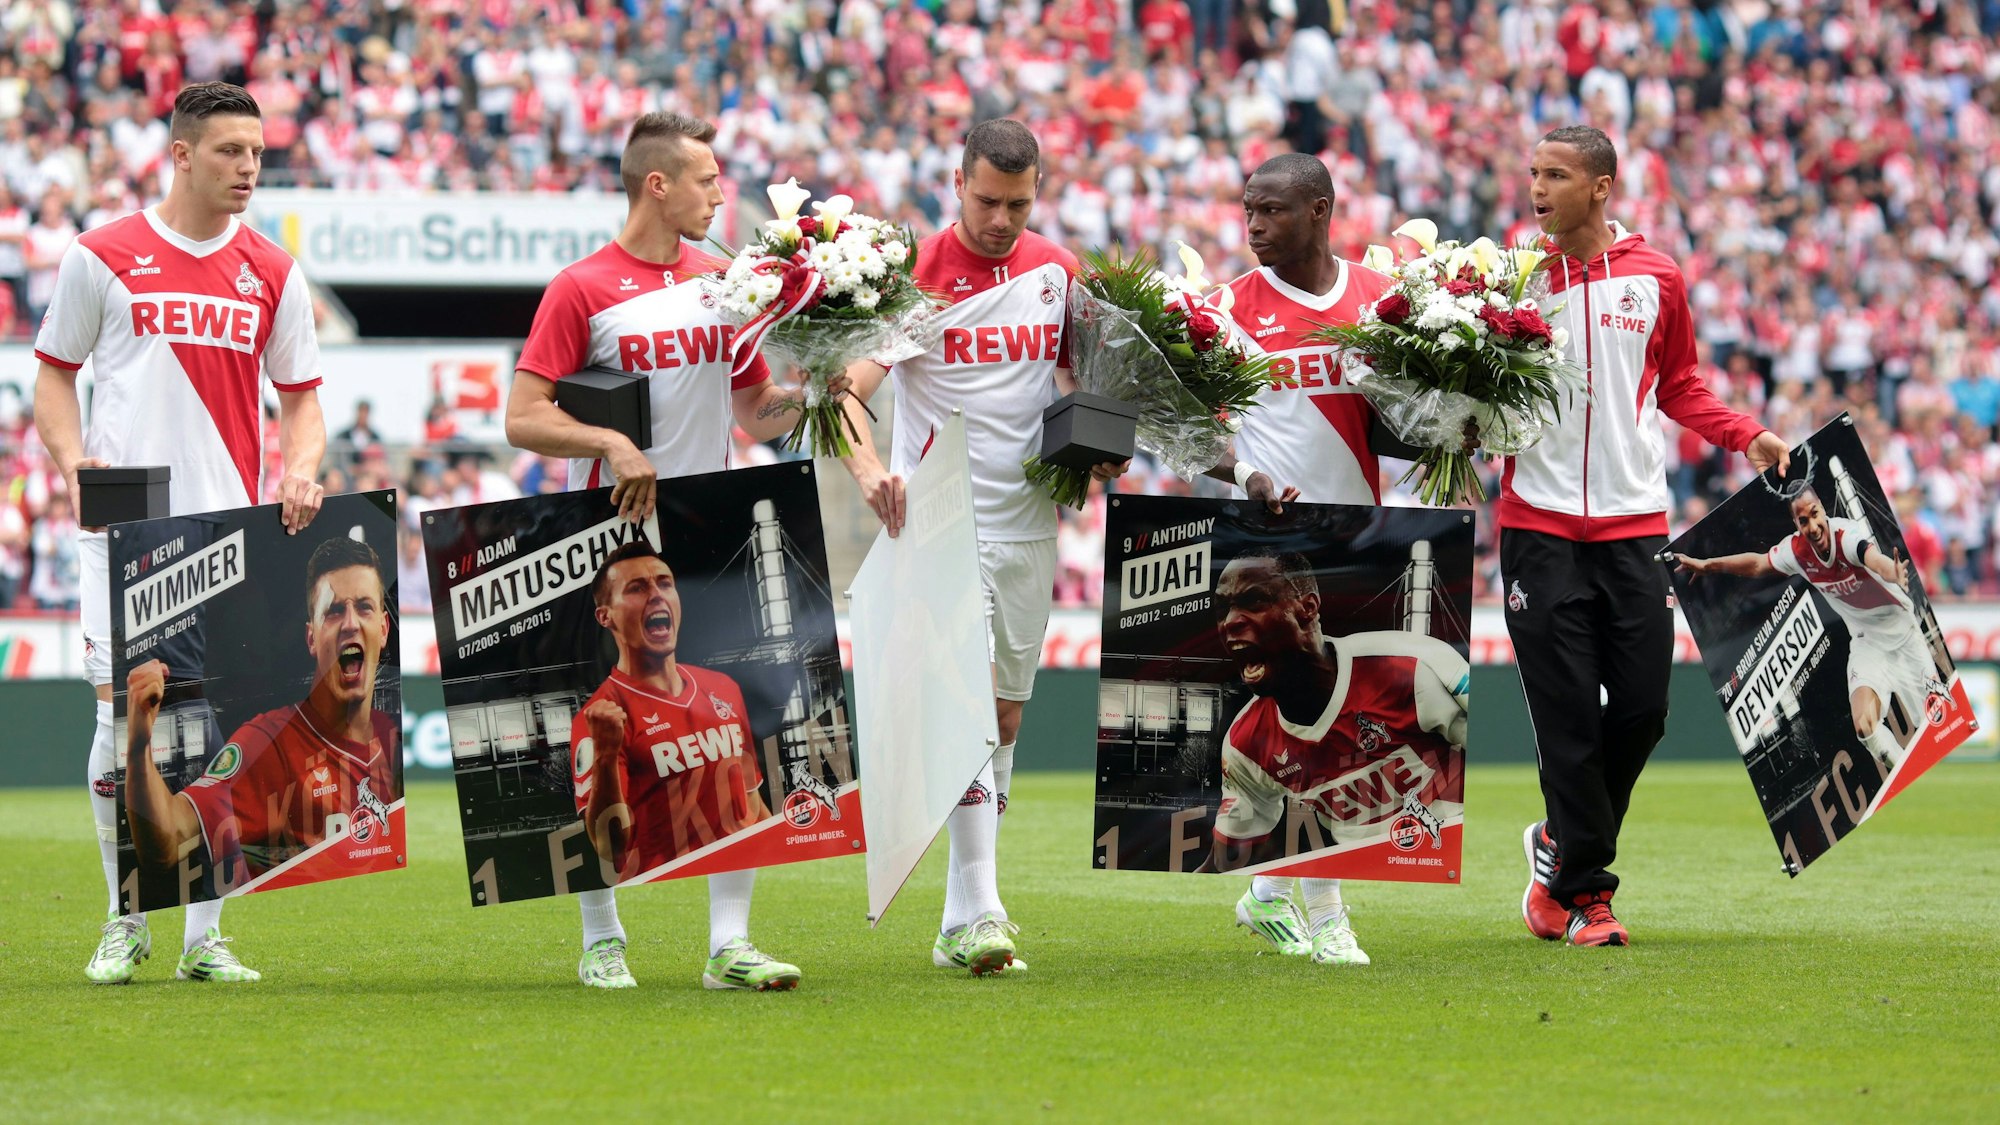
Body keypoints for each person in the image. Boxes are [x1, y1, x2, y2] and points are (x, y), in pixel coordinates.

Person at [503, 110, 822, 990]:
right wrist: (608, 444)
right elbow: (522, 414)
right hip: (608, 539)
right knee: (601, 739)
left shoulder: (725, 280)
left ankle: (729, 943)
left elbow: (757, 411)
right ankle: (602, 935)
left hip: (707, 533)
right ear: (658, 184)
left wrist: (831, 386)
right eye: (708, 179)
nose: (722, 192)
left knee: (734, 730)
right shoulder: (582, 288)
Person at [32, 82, 327, 985]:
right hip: (123, 526)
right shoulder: (102, 255)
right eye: (231, 151)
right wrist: (75, 459)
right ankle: (127, 918)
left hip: (231, 524)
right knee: (120, 714)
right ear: (182, 153)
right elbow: (52, 377)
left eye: (257, 151)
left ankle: (206, 933)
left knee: (218, 724)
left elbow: (303, 399)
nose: (249, 168)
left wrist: (303, 467)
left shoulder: (273, 269)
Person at [836, 118, 1124, 977]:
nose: (1001, 218)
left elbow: (1092, 385)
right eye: (988, 200)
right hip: (939, 518)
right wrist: (866, 470)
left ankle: (962, 914)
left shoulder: (1055, 271)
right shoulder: (915, 280)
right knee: (964, 709)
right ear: (957, 184)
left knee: (1001, 715)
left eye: (1019, 203)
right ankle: (983, 904)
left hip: (1031, 519)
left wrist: (1106, 447)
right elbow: (847, 393)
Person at [1506, 126, 1790, 948]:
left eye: (1557, 174)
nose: (1539, 187)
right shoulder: (1509, 283)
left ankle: (1559, 843)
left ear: (1601, 187)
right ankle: (1587, 896)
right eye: (1533, 173)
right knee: (1566, 721)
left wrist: (1746, 435)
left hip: (1635, 528)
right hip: (1537, 529)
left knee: (1642, 710)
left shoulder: (1656, 276)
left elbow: (1682, 386)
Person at [1196, 153, 1398, 962]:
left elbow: (1406, 419)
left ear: (1320, 209)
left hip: (1361, 535)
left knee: (1338, 728)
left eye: (1272, 211)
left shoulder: (1381, 303)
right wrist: (1242, 473)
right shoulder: (1224, 310)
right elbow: (1184, 431)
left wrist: (1457, 436)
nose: (1253, 227)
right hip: (1270, 545)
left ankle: (1267, 893)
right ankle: (1330, 917)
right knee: (1322, 725)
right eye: (1247, 211)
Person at [1201, 550, 1468, 967]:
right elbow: (1237, 841)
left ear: (1307, 608)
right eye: (1224, 608)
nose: (1231, 621)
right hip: (1376, 839)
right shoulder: (1245, 740)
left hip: (1439, 830)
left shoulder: (1413, 669)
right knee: (1303, 808)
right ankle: (1321, 920)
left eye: (1253, 602)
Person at [569, 543, 794, 990]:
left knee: (729, 785)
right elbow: (609, 850)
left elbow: (750, 807)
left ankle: (729, 947)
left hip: (707, 833)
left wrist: (804, 838)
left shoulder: (722, 688)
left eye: (664, 583)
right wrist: (610, 753)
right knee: (576, 818)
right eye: (636, 588)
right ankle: (601, 942)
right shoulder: (599, 713)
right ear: (606, 616)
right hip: (643, 852)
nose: (656, 595)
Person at [124, 536, 396, 900]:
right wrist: (139, 746)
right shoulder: (268, 743)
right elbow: (168, 843)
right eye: (333, 611)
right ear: (311, 638)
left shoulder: (391, 736)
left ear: (384, 628)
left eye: (364, 607)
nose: (350, 623)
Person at [1673, 488, 1943, 778]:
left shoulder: (1846, 536)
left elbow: (1871, 557)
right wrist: (1708, 565)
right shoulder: (1797, 551)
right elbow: (1757, 563)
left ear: (1823, 510)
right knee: (1865, 726)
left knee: (1938, 729)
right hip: (1867, 641)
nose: (1812, 527)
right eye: (1803, 521)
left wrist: (1892, 571)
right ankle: (1906, 774)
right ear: (1796, 525)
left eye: (1815, 515)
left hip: (1903, 634)